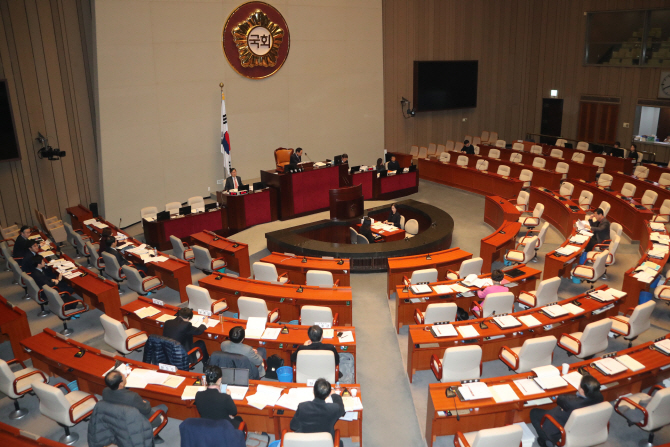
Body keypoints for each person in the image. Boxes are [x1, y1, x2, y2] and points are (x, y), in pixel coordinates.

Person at [530, 374, 603, 447]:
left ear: (582, 390)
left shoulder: (570, 403)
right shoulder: (600, 398)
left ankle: (546, 439)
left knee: (534, 412)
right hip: (582, 427)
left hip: (560, 427)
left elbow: (561, 398)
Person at [102, 370, 168, 429]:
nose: (125, 377)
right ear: (120, 384)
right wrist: (146, 403)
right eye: (123, 376)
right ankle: (151, 435)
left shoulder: (105, 391)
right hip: (136, 422)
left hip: (118, 420)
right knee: (163, 407)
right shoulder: (132, 397)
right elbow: (146, 410)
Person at [290, 378, 345, 446]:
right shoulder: (333, 409)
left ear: (313, 391)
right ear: (328, 394)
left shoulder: (302, 406)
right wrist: (334, 395)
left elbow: (293, 426)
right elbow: (342, 409)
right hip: (325, 443)